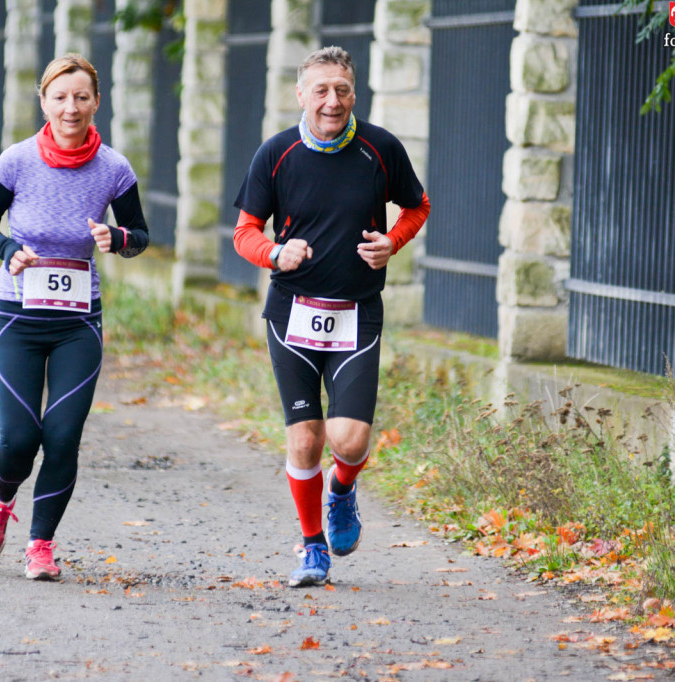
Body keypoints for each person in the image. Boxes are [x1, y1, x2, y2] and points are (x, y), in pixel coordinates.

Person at [232, 46, 430, 587]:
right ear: (301, 95)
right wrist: (274, 253)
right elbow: (244, 231)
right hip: (291, 314)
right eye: (320, 89)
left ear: (353, 94)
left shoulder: (380, 148)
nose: (331, 100)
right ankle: (312, 547)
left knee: (348, 441)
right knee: (304, 440)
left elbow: (418, 207)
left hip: (357, 313)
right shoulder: (275, 153)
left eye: (341, 89)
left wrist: (392, 241)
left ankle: (342, 491)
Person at [0, 53, 148, 580]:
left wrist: (116, 239)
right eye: (60, 97)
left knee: (64, 435)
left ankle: (40, 546)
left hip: (78, 324)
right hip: (18, 317)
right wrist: (7, 249)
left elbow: (140, 235)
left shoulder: (114, 167)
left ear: (96, 101)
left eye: (82, 97)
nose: (71, 108)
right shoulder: (17, 160)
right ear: (44, 100)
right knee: (19, 439)